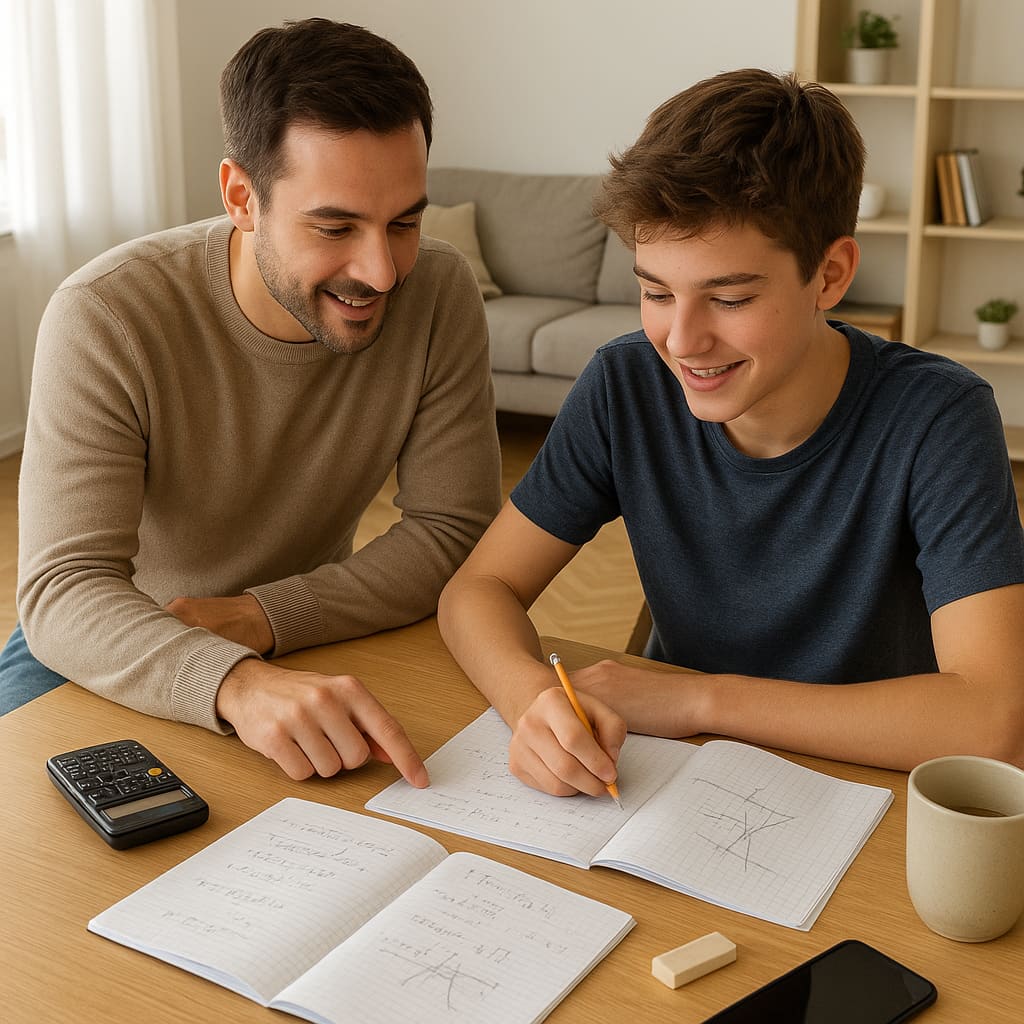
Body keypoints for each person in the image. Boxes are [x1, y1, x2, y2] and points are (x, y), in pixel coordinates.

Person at [438, 68, 1024, 798]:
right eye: (655, 291)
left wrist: (701, 699)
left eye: (730, 297)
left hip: (865, 786)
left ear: (831, 274)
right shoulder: (625, 387)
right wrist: (531, 697)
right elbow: (477, 589)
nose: (681, 340)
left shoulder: (939, 418)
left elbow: (993, 719)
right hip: (673, 780)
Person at [4, 19, 502, 785]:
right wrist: (232, 678)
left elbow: (453, 530)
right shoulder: (106, 312)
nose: (381, 270)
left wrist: (265, 618)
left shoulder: (438, 292)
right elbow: (64, 589)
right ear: (242, 197)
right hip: (118, 640)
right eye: (335, 226)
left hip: (306, 629)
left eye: (405, 221)